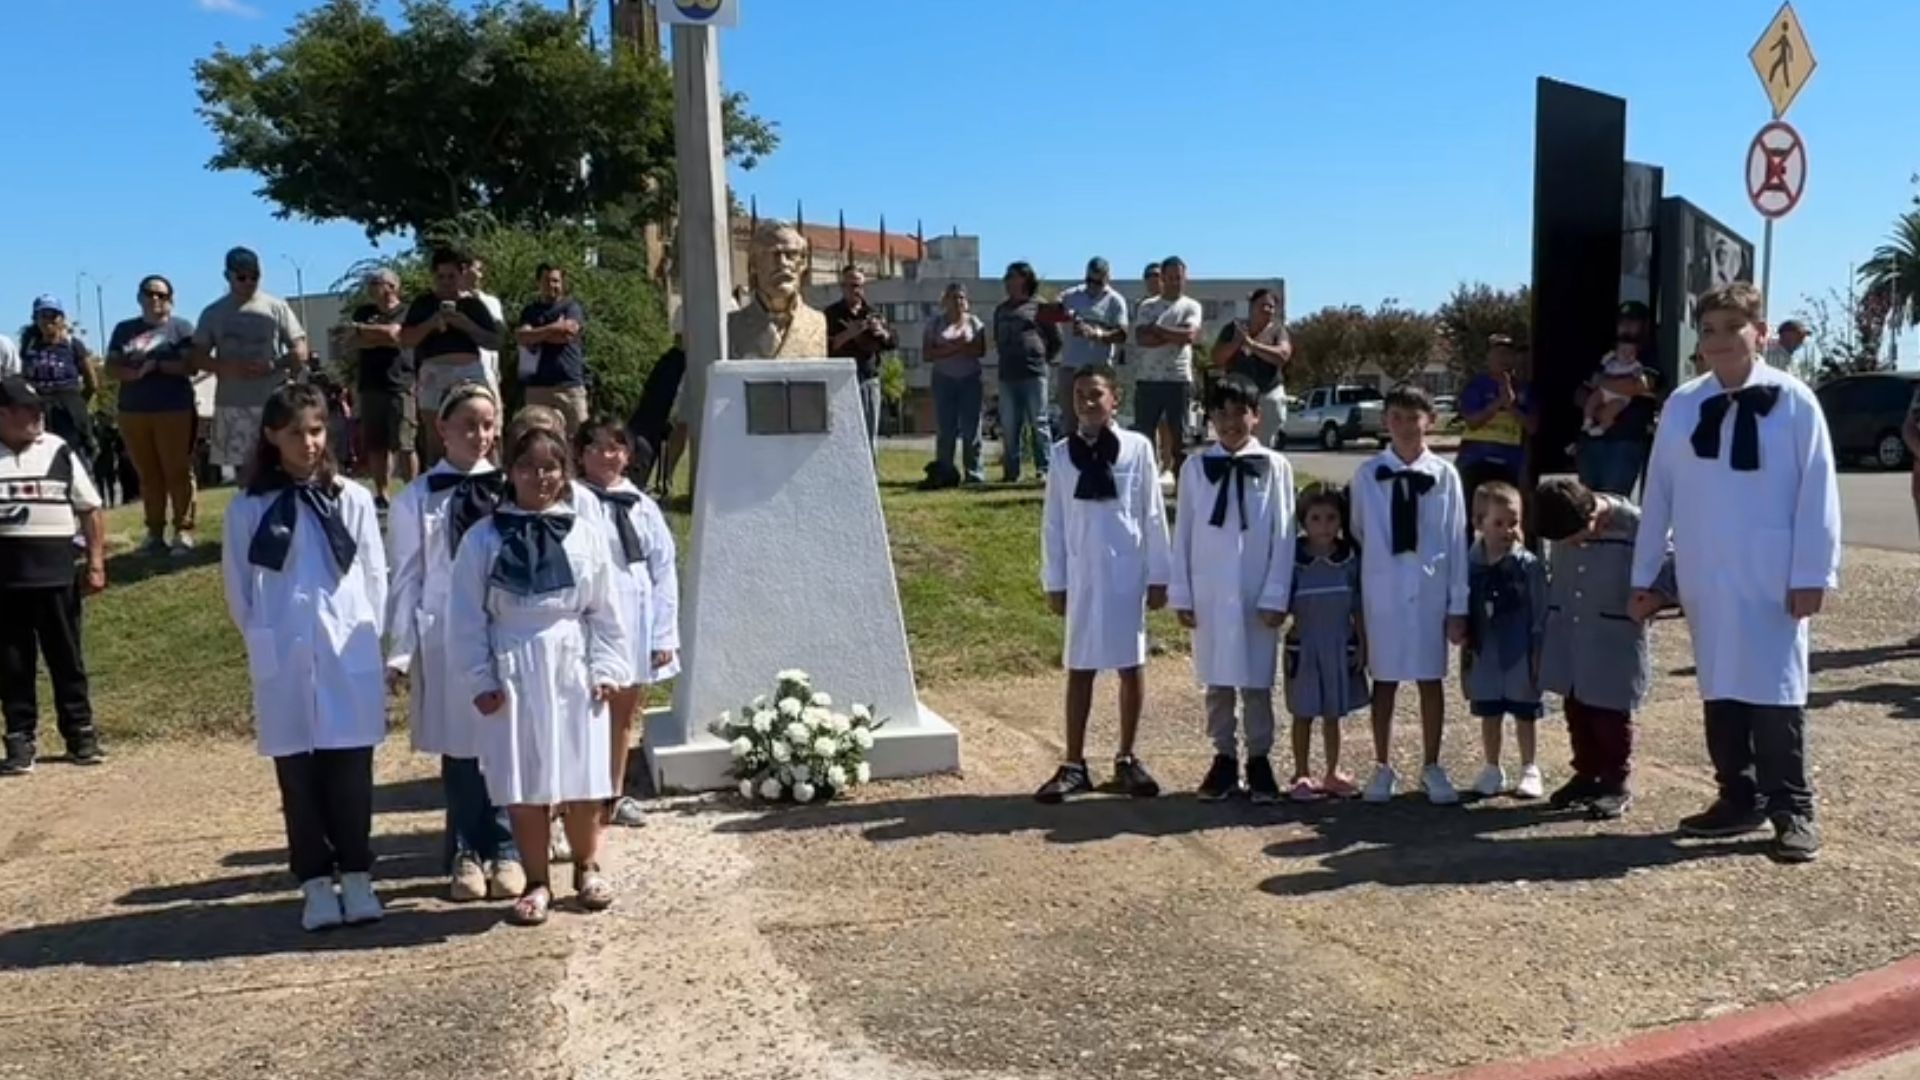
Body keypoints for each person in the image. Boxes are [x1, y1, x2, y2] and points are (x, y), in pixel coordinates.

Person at [1633, 282, 1840, 863]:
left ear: (1761, 333)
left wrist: (1812, 573)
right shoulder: (1683, 404)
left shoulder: (1794, 402)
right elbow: (1660, 495)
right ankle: (1736, 795)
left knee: (1776, 690)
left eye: (1732, 328)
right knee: (1719, 682)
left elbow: (1818, 493)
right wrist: (1646, 576)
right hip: (1707, 569)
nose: (1720, 340)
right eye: (1709, 331)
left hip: (1772, 574)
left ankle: (1792, 806)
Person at [446, 424, 632, 925]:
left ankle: (587, 864)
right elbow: (464, 617)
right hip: (514, 666)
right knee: (524, 776)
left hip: (572, 662)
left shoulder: (584, 535)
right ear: (511, 472)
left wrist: (608, 667)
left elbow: (607, 612)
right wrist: (480, 679)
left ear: (564, 471)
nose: (539, 477)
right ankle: (536, 880)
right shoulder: (483, 539)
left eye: (550, 467)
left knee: (581, 769)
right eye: (528, 467)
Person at [221, 382, 388, 931]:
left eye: (316, 431)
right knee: (298, 776)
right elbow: (239, 589)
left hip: (346, 653)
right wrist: (267, 639)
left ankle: (358, 874)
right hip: (285, 657)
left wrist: (368, 637)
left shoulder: (352, 499)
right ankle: (315, 882)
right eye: (295, 433)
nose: (309, 443)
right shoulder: (249, 508)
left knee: (351, 772)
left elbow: (373, 577)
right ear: (272, 437)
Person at [385, 381, 526, 902]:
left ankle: (508, 846)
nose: (480, 435)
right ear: (441, 428)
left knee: (504, 742)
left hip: (503, 633)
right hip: (445, 638)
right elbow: (405, 578)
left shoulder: (512, 489)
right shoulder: (417, 498)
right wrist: (400, 652)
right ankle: (467, 848)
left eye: (488, 425)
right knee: (461, 747)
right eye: (468, 424)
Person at [1036, 362, 1171, 802]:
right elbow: (1053, 523)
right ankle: (1074, 763)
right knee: (1080, 667)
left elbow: (1151, 513)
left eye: (1096, 394)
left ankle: (1127, 758)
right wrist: (1055, 580)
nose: (1087, 403)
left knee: (1131, 666)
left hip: (1126, 572)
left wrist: (1158, 575)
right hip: (1082, 574)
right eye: (1079, 395)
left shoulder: (1137, 448)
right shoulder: (1061, 454)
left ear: (1115, 399)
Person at [1169, 374, 1294, 803]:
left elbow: (1284, 534)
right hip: (1210, 591)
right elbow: (1182, 532)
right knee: (1217, 682)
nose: (1230, 422)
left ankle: (1259, 760)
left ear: (1255, 416)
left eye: (1239, 412)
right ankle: (1223, 758)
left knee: (1258, 682)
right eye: (1220, 414)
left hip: (1257, 592)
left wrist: (1277, 593)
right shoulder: (1194, 468)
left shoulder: (1275, 467)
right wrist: (1181, 594)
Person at [1350, 384, 1469, 805]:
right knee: (1383, 679)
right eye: (1396, 418)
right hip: (1382, 590)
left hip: (1429, 589)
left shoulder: (1445, 476)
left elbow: (1456, 540)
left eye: (1414, 418)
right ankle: (1382, 765)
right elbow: (1360, 531)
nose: (1405, 426)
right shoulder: (1367, 476)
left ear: (1430, 422)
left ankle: (1432, 764)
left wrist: (1459, 605)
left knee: (1429, 677)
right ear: (1385, 421)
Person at [1533, 476, 1674, 821]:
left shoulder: (1636, 526)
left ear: (1593, 518)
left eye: (1576, 537)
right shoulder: (1561, 517)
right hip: (1569, 629)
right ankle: (1587, 772)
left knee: (1610, 713)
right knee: (1576, 707)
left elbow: (1673, 562)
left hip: (1613, 635)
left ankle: (1615, 781)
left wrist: (1655, 598)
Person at [575, 416, 680, 828]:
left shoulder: (642, 505)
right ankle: (578, 799)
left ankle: (614, 795)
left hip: (635, 616)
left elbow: (664, 569)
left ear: (628, 454)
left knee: (623, 714)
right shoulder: (572, 501)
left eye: (615, 447)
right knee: (585, 711)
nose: (607, 455)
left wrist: (663, 633)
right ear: (580, 454)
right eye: (597, 447)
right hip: (591, 618)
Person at [0, 377, 106, 776]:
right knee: (12, 664)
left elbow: (90, 509)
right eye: (27, 410)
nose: (37, 415)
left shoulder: (59, 449)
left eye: (38, 408)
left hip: (57, 578)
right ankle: (19, 738)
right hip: (6, 582)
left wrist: (96, 563)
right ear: (3, 414)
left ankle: (80, 733)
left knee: (67, 659)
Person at [1461, 481, 1548, 799]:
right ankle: (1492, 766)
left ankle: (1529, 766)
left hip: (1520, 649)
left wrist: (1539, 651)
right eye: (1499, 523)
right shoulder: (1469, 565)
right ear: (1479, 523)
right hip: (1485, 651)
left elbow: (1540, 611)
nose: (1508, 530)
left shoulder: (1528, 566)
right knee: (1490, 712)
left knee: (1525, 711)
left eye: (1514, 522)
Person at [1283, 485, 1368, 801]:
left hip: (1339, 642)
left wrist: (1362, 642)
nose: (1324, 526)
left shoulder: (1348, 559)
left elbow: (1358, 603)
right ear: (1304, 521)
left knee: (1334, 712)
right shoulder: (1294, 558)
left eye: (1331, 518)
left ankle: (1332, 771)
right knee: (1302, 712)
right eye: (1315, 518)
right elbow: (1282, 598)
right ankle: (1301, 772)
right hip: (1304, 644)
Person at [194, 248, 309, 476]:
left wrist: (274, 365)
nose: (249, 282)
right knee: (246, 472)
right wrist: (224, 367)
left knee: (284, 466)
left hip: (273, 401)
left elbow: (301, 349)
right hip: (233, 402)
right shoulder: (213, 313)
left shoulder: (276, 307)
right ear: (228, 276)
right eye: (242, 277)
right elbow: (196, 356)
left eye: (254, 276)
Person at [107, 276, 198, 554]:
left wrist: (157, 365)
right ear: (139, 297)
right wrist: (134, 374)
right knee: (148, 474)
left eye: (161, 294)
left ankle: (183, 529)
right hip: (133, 410)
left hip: (174, 408)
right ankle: (154, 532)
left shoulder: (181, 328)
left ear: (171, 299)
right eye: (149, 293)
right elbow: (111, 367)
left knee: (177, 470)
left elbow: (191, 365)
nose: (155, 299)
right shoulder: (125, 329)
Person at [405, 247, 501, 464]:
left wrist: (464, 324)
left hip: (469, 371)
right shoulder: (423, 304)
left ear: (461, 275)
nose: (446, 282)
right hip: (434, 373)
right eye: (441, 277)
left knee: (479, 426)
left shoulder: (473, 305)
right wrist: (431, 323)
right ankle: (438, 482)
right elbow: (406, 339)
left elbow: (494, 341)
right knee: (435, 433)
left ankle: (487, 479)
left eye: (451, 276)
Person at [1132, 255, 1205, 487]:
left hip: (1177, 378)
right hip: (1148, 378)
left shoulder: (1191, 306)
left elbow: (1188, 337)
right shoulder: (1147, 306)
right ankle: (1145, 484)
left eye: (1179, 277)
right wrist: (1171, 333)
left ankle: (1182, 486)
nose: (1175, 282)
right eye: (1170, 277)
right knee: (1144, 434)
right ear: (1162, 278)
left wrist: (1158, 329)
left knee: (1179, 436)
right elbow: (1143, 339)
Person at [1574, 302, 1658, 496]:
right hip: (1591, 441)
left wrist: (1602, 381)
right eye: (1623, 321)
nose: (1626, 326)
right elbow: (1580, 392)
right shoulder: (1607, 354)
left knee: (1613, 506)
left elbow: (1638, 385)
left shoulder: (1649, 355)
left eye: (1633, 322)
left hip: (1625, 441)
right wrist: (1597, 411)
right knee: (1585, 506)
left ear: (1643, 325)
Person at [1454, 335, 1537, 527]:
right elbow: (1472, 421)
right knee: (1468, 517)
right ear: (1488, 357)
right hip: (1474, 462)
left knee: (1507, 518)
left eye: (1508, 353)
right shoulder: (1476, 385)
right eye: (1498, 353)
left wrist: (1512, 407)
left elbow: (1532, 426)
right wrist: (1498, 403)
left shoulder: (1524, 388)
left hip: (1509, 464)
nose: (1503, 358)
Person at [350, 269, 415, 510]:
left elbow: (395, 335)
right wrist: (375, 335)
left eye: (377, 283)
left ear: (392, 286)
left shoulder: (406, 311)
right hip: (370, 384)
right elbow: (351, 340)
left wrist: (368, 333)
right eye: (371, 283)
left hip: (399, 383)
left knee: (404, 442)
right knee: (376, 444)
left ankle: (411, 492)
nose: (372, 287)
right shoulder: (364, 313)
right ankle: (382, 493)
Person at [994, 261, 1060, 483]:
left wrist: (1042, 359)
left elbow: (1056, 340)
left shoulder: (1041, 306)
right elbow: (996, 339)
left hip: (1034, 373)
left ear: (1025, 279)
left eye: (1012, 276)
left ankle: (1045, 468)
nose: (1008, 281)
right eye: (1006, 277)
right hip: (1007, 374)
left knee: (1039, 421)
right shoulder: (1001, 310)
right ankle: (1012, 471)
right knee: (1010, 424)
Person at [823, 266, 898, 457]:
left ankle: (870, 475)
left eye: (860, 286)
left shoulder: (872, 313)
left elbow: (893, 342)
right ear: (842, 286)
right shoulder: (830, 314)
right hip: (841, 381)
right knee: (842, 432)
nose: (856, 291)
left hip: (868, 378)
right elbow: (824, 347)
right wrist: (850, 333)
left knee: (869, 433)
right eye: (852, 286)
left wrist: (882, 332)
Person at [921, 282, 987, 488]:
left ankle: (974, 473)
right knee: (945, 428)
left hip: (970, 379)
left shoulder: (975, 323)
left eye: (961, 297)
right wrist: (954, 348)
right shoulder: (935, 324)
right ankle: (945, 472)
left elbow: (980, 350)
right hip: (944, 379)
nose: (957, 301)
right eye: (952, 297)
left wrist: (960, 347)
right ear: (945, 301)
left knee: (971, 428)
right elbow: (928, 354)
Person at [1207, 287, 1292, 447]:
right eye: (1262, 305)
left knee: (1263, 441)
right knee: (1238, 439)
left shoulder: (1278, 330)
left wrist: (1252, 345)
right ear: (1251, 307)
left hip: (1268, 392)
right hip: (1238, 395)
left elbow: (1282, 355)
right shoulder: (1233, 328)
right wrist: (1236, 343)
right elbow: (1217, 358)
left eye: (1271, 307)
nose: (1267, 310)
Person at [18, 296, 99, 462]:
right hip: (39, 411)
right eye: (43, 315)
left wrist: (77, 403)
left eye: (53, 315)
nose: (48, 320)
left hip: (68, 409)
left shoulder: (72, 345)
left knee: (72, 458)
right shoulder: (29, 347)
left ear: (62, 318)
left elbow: (92, 383)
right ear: (35, 319)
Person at [515, 264, 590, 436]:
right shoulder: (530, 311)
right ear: (538, 283)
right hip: (537, 387)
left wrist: (537, 334)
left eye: (555, 281)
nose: (551, 285)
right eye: (546, 280)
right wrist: (555, 328)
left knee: (578, 439)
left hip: (569, 385)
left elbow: (568, 334)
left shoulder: (572, 307)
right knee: (534, 438)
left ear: (562, 283)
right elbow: (522, 337)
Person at [1056, 258, 1129, 432]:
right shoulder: (1072, 295)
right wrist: (1060, 307)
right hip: (1071, 366)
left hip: (1099, 370)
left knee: (1100, 418)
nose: (1093, 285)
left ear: (1107, 278)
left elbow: (1122, 334)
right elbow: (1052, 307)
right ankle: (1071, 457)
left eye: (1098, 281)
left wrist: (1097, 334)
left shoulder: (1115, 300)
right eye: (1090, 280)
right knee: (1070, 420)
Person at [465, 258, 507, 391]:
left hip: (488, 371)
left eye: (481, 271)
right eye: (477, 270)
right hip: (462, 372)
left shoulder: (491, 302)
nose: (480, 275)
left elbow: (500, 333)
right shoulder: (455, 301)